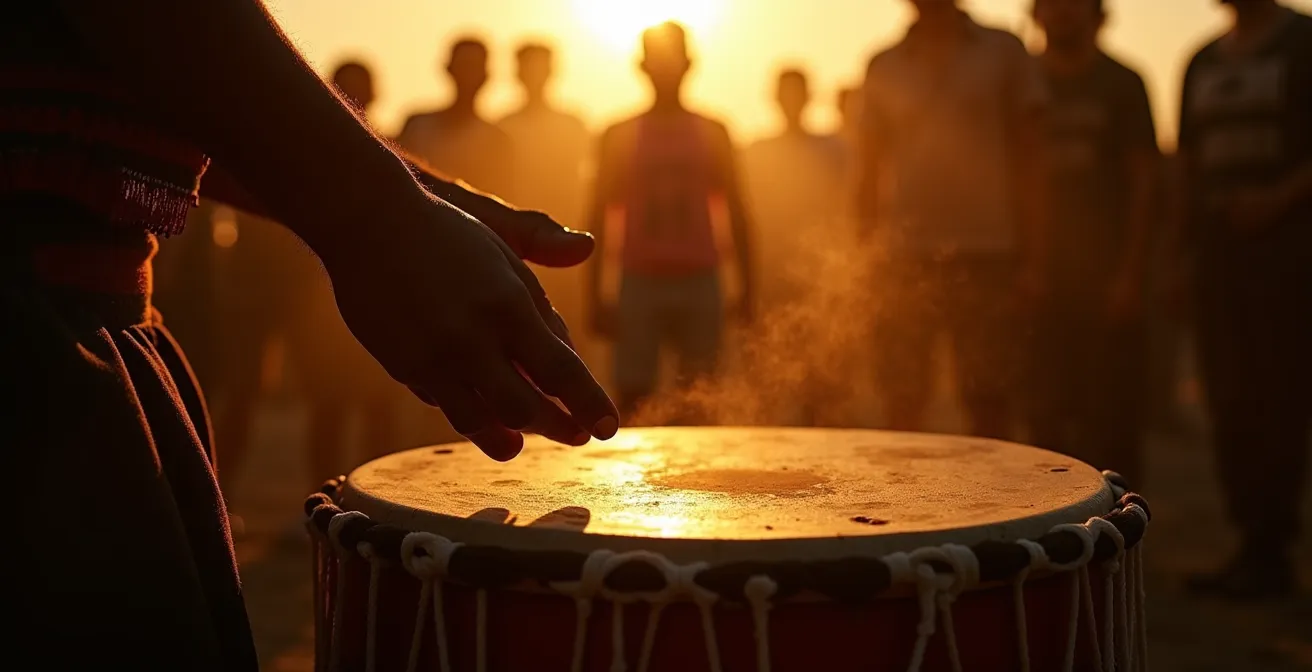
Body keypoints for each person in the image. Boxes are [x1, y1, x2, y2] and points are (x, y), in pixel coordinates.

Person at [1, 1, 617, 666]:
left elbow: (181, 94)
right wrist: (379, 212)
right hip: (33, 352)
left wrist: (418, 198)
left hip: (86, 322)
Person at [857, 0, 1049, 439]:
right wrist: (865, 262)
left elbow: (1031, 158)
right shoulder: (883, 64)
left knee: (989, 396)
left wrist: (1035, 260)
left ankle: (996, 504)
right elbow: (867, 172)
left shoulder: (1003, 51)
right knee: (903, 396)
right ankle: (904, 503)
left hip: (988, 251)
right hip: (905, 257)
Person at [1175, 0, 1312, 599]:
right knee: (1230, 395)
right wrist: (1179, 253)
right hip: (1218, 257)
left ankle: (1272, 544)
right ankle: (1254, 545)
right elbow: (1186, 162)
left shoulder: (1303, 42)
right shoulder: (1201, 59)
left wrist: (1280, 198)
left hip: (1290, 253)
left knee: (1282, 395)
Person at [585, 22, 756, 419]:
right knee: (632, 399)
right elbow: (595, 215)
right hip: (639, 279)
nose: (665, 68)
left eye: (672, 59)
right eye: (657, 59)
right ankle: (634, 482)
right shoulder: (618, 134)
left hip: (700, 278)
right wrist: (595, 294)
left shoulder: (713, 132)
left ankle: (702, 482)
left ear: (689, 64)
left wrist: (748, 287)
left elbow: (738, 209)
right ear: (642, 66)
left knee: (703, 398)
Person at [1027, 0, 1160, 487]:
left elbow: (1145, 180)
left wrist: (1131, 274)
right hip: (1040, 277)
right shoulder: (1023, 81)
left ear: (1096, 13)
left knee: (1113, 415)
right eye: (1051, 4)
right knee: (1045, 415)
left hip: (1106, 276)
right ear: (1036, 14)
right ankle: (1057, 534)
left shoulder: (1123, 83)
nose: (1062, 12)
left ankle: (1122, 535)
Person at [497, 43, 595, 375]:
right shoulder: (503, 127)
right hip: (516, 248)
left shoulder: (573, 126)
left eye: (541, 67)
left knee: (571, 337)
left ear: (552, 72)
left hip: (567, 245)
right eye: (529, 68)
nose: (535, 76)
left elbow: (591, 185)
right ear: (517, 73)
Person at [743, 70, 845, 311]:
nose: (791, 101)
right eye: (786, 94)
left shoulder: (834, 150)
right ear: (775, 99)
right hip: (770, 266)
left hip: (823, 267)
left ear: (808, 97)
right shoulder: (757, 153)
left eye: (796, 94)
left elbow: (846, 206)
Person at [396, 37, 514, 196]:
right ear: (449, 69)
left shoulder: (497, 141)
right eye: (464, 66)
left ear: (486, 75)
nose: (468, 75)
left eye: (474, 67)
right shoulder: (417, 127)